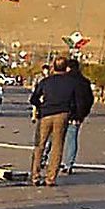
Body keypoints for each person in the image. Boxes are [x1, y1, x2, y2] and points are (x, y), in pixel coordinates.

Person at [29, 57, 78, 186]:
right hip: (62, 115)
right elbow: (76, 101)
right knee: (57, 147)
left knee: (39, 145)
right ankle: (50, 178)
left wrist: (40, 107)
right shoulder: (71, 83)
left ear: (53, 67)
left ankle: (35, 175)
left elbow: (33, 98)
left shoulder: (46, 82)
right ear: (66, 68)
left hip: (45, 115)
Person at [61, 58, 95, 174]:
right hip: (76, 117)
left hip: (62, 113)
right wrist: (82, 114)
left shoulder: (64, 80)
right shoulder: (84, 82)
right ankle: (69, 164)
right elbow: (90, 100)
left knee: (54, 139)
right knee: (72, 139)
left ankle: (45, 160)